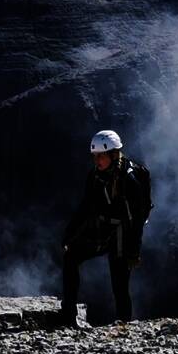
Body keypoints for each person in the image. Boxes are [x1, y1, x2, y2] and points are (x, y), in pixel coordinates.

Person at [60, 130, 152, 327]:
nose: (97, 160)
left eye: (101, 156)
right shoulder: (95, 176)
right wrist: (69, 235)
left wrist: (133, 251)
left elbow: (135, 220)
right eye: (95, 156)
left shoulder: (130, 180)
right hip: (103, 229)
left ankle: (123, 324)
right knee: (70, 257)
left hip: (123, 233)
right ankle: (68, 314)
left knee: (119, 281)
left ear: (113, 154)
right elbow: (85, 207)